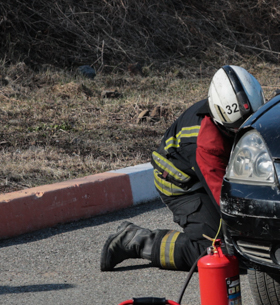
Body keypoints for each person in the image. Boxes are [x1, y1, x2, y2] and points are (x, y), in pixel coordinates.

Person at [100, 65, 265, 272]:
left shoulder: (238, 112)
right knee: (219, 252)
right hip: (181, 186)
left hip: (202, 172)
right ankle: (139, 241)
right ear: (219, 117)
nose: (243, 133)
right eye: (236, 129)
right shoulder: (207, 145)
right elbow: (225, 199)